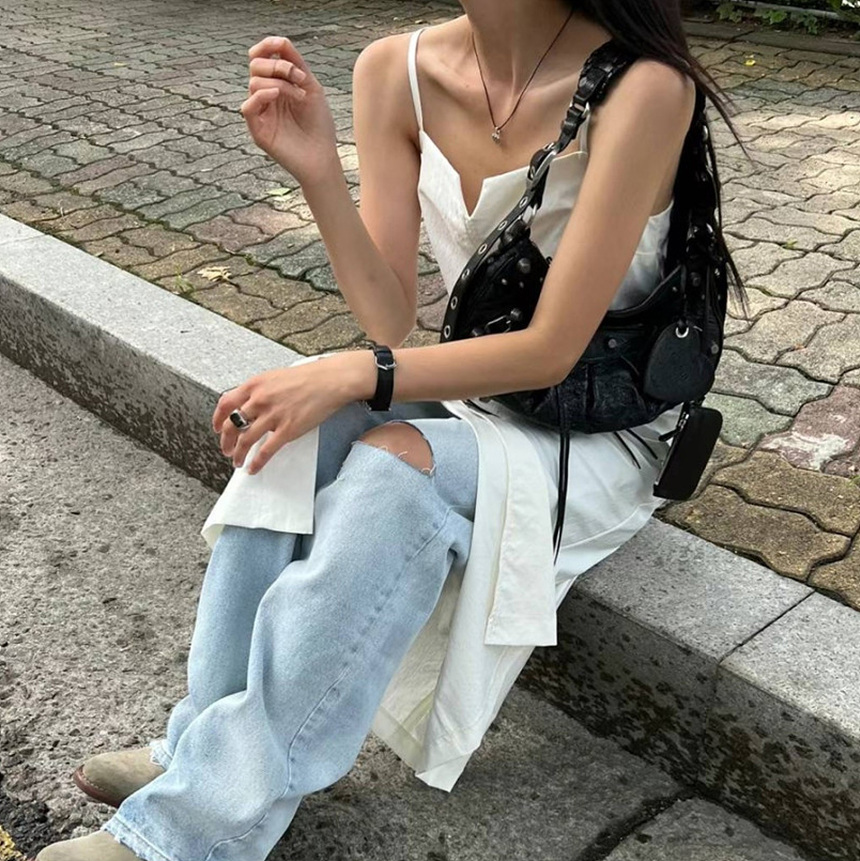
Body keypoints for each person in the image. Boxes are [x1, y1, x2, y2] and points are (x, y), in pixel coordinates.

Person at [37, 2, 746, 859]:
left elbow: (551, 351)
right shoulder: (394, 69)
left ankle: (190, 832)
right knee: (298, 423)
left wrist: (349, 373)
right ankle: (199, 745)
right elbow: (388, 317)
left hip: (597, 432)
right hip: (483, 394)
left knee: (392, 464)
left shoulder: (645, 87)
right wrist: (317, 172)